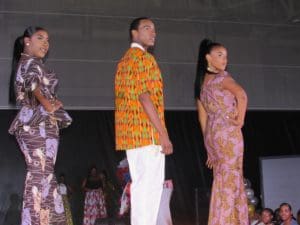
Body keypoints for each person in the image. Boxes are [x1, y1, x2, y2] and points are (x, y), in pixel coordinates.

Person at [8, 26, 72, 225]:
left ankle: (47, 220)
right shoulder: (29, 63)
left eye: (48, 40)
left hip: (44, 123)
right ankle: (36, 221)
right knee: (39, 172)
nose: (46, 43)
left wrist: (52, 102)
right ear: (27, 41)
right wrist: (47, 104)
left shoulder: (34, 63)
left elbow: (38, 88)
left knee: (45, 173)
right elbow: (32, 85)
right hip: (35, 124)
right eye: (40, 38)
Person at [114, 17, 173, 225]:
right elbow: (144, 97)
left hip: (132, 135)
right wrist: (163, 133)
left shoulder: (125, 59)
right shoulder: (143, 59)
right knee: (150, 188)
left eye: (154, 29)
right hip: (147, 133)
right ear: (134, 33)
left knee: (141, 187)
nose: (153, 32)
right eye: (147, 28)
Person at [195, 38, 248, 225]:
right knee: (232, 178)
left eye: (225, 55)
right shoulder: (222, 78)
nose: (224, 59)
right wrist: (240, 120)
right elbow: (242, 95)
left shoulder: (202, 86)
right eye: (219, 55)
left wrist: (208, 145)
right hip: (228, 133)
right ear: (207, 57)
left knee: (222, 179)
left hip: (214, 135)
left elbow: (203, 119)